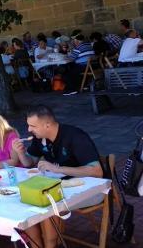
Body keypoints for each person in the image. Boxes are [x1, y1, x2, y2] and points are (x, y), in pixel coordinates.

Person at [12, 105, 102, 248]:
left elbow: (97, 171)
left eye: (32, 126)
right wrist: (21, 153)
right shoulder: (39, 137)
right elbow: (29, 163)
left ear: (47, 125)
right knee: (27, 201)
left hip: (91, 189)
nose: (29, 130)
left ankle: (50, 245)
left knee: (48, 205)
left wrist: (57, 168)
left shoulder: (75, 136)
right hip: (60, 187)